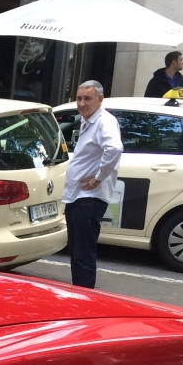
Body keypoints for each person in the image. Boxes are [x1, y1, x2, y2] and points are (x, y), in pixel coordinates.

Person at [62, 80, 122, 290]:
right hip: (78, 196)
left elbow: (114, 149)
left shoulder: (104, 121)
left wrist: (98, 177)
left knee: (83, 254)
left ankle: (84, 297)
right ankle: (79, 292)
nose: (82, 103)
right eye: (79, 98)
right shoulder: (89, 121)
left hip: (89, 198)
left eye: (87, 98)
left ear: (100, 99)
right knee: (77, 251)